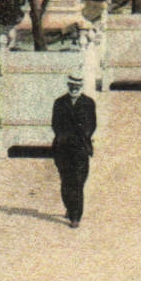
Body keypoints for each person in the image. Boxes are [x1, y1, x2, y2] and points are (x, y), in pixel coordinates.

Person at [50, 73, 97, 228]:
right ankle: (70, 208)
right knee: (66, 181)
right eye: (71, 86)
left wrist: (82, 138)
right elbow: (55, 125)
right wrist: (66, 138)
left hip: (81, 148)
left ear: (81, 87)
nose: (74, 89)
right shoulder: (59, 103)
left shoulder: (89, 103)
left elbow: (92, 125)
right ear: (68, 85)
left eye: (77, 86)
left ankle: (75, 215)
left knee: (78, 182)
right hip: (63, 148)